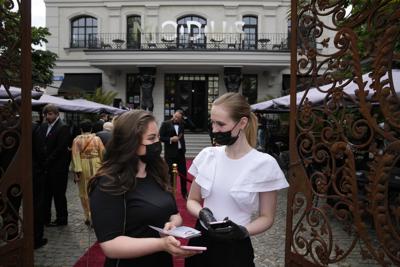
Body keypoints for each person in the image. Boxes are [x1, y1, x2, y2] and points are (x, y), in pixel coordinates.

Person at [185, 93, 289, 267]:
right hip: (201, 240)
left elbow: (267, 217)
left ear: (242, 123)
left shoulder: (264, 164)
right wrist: (203, 213)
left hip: (236, 247)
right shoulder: (208, 155)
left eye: (221, 124)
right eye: (212, 122)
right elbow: (192, 200)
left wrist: (242, 231)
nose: (214, 129)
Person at [88, 110, 201, 267]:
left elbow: (174, 214)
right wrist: (160, 244)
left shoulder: (157, 172)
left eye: (157, 137)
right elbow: (110, 245)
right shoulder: (108, 182)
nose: (158, 143)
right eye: (151, 138)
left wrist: (172, 224)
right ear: (130, 143)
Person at [37, 104, 71, 227]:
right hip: (46, 167)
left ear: (56, 114)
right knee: (46, 194)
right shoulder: (44, 126)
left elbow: (60, 148)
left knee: (59, 194)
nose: (48, 116)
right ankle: (45, 218)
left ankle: (62, 219)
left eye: (50, 114)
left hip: (58, 168)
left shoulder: (63, 127)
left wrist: (48, 160)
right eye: (46, 114)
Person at [71, 119, 105, 225]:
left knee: (84, 191)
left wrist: (77, 170)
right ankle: (97, 215)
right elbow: (103, 153)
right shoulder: (97, 139)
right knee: (97, 190)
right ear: (91, 129)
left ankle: (87, 216)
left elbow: (75, 155)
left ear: (81, 129)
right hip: (97, 164)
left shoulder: (76, 140)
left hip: (83, 164)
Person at [159, 110, 188, 199]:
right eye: (175, 116)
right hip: (170, 154)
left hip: (180, 153)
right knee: (170, 174)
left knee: (183, 174)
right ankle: (170, 193)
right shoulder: (165, 124)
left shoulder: (182, 124)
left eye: (178, 118)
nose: (175, 119)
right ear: (173, 114)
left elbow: (193, 126)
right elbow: (160, 137)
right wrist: (171, 139)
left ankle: (184, 193)